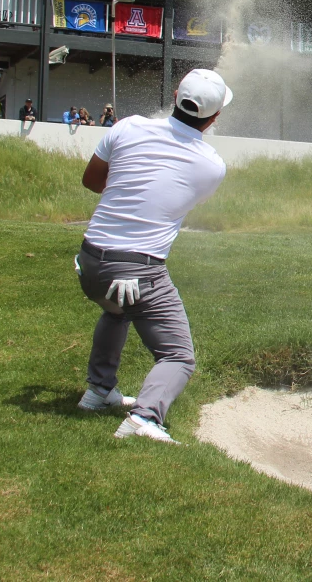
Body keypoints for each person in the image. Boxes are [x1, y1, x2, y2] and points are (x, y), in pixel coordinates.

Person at [74, 68, 233, 443]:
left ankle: (99, 391)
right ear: (213, 118)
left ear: (175, 94)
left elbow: (92, 180)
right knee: (178, 356)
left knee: (117, 311)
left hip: (90, 262)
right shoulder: (211, 165)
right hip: (137, 270)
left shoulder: (128, 126)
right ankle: (145, 418)